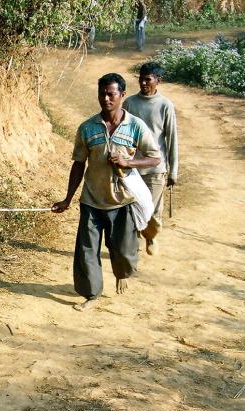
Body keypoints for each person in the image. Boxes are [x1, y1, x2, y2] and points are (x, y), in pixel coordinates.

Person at [52, 73, 161, 311]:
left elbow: (154, 158)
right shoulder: (87, 128)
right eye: (102, 93)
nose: (105, 98)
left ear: (122, 95)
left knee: (123, 251)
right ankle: (92, 294)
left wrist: (127, 162)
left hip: (123, 202)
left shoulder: (135, 126)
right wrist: (68, 199)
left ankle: (122, 272)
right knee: (87, 251)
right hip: (92, 200)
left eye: (111, 94)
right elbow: (79, 164)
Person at [122, 62, 179, 255]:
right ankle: (134, 240)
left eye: (148, 79)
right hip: (132, 166)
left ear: (158, 81)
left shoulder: (165, 105)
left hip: (156, 169)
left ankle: (151, 236)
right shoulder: (129, 103)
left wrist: (173, 171)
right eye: (141, 78)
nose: (143, 82)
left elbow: (172, 140)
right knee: (134, 205)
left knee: (153, 211)